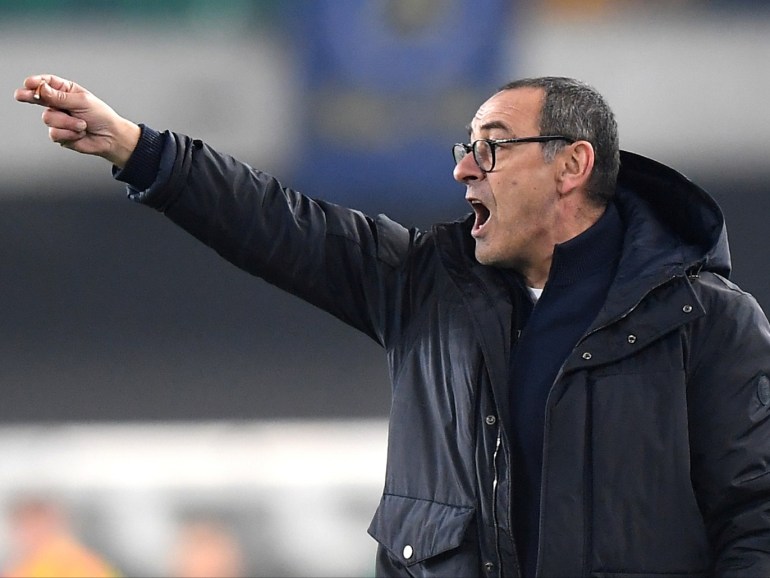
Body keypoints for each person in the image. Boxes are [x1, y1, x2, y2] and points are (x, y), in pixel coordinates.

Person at [14, 74, 770, 577]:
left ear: (572, 165)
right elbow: (281, 224)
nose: (463, 170)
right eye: (464, 148)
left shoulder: (707, 322)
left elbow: (755, 514)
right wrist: (141, 151)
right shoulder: (426, 287)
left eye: (490, 146)